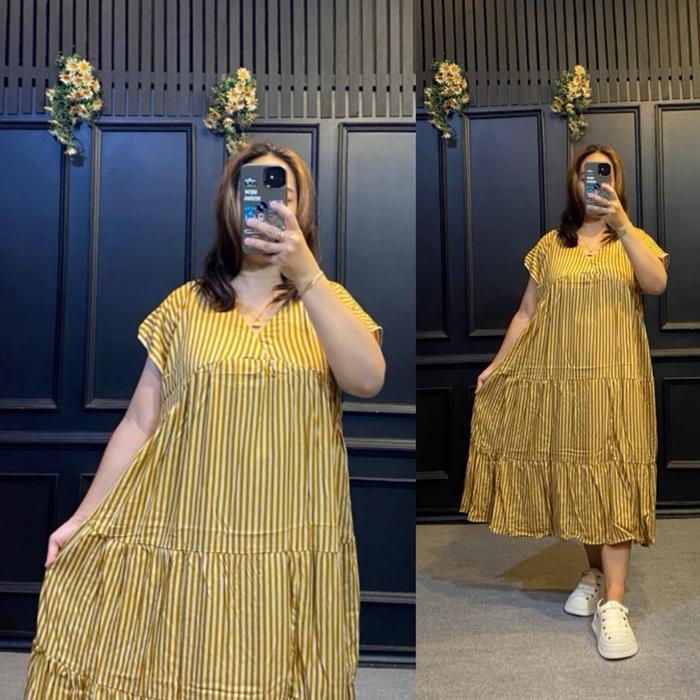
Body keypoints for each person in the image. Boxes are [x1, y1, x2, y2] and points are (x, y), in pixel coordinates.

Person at [24, 141, 385, 698]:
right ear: (230, 205)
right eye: (252, 191)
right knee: (194, 666)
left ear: (301, 209)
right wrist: (81, 518)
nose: (268, 204)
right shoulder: (185, 307)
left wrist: (307, 275)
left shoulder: (328, 301)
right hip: (196, 528)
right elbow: (139, 424)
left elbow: (367, 380)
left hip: (293, 534)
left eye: (283, 194)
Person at [459, 143, 669, 660]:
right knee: (584, 481)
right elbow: (527, 312)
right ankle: (595, 574)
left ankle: (614, 604)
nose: (595, 182)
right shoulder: (553, 245)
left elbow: (656, 283)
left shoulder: (634, 238)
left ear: (617, 181)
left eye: (605, 173)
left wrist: (621, 224)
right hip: (566, 386)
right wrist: (497, 365)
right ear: (574, 182)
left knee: (615, 479)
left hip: (619, 384)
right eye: (587, 174)